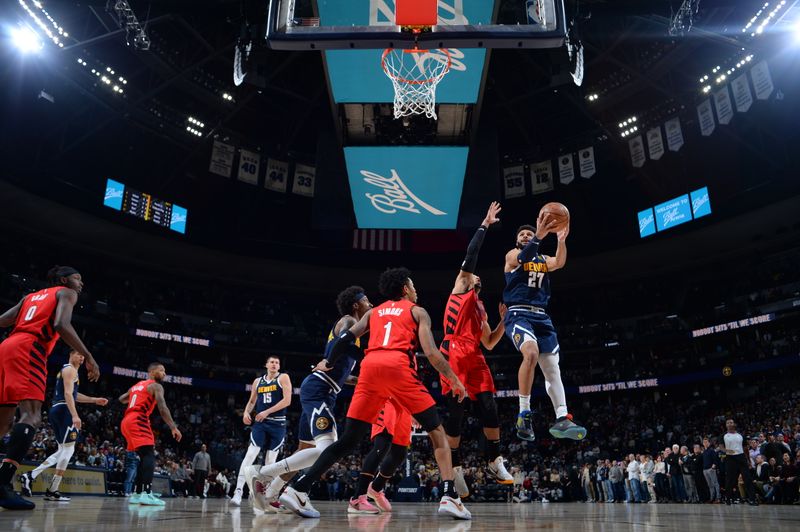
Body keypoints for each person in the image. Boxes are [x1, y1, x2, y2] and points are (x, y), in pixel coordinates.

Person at [278, 267, 471, 520]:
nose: (416, 290)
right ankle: (450, 496)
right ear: (404, 289)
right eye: (412, 286)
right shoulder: (417, 311)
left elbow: (345, 339)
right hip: (397, 366)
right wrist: (454, 380)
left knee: (348, 440)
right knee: (437, 432)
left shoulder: (373, 312)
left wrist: (330, 361)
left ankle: (298, 489)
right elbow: (433, 354)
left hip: (370, 369)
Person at [246, 286, 372, 512]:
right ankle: (261, 474)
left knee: (305, 449)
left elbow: (342, 371)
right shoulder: (348, 322)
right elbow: (339, 345)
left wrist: (361, 378)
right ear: (356, 305)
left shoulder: (352, 332)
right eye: (366, 301)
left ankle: (272, 494)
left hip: (322, 389)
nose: (370, 305)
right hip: (319, 390)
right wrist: (371, 358)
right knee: (329, 448)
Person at [0, 265, 100, 510]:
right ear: (64, 280)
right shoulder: (66, 293)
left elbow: (2, 320)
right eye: (78, 278)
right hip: (30, 347)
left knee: (2, 422)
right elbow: (60, 324)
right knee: (31, 416)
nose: (81, 284)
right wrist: (87, 355)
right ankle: (2, 484)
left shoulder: (30, 297)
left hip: (7, 346)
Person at [440, 202, 514, 497]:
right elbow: (472, 254)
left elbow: (490, 342)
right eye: (474, 275)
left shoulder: (481, 307)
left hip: (474, 353)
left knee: (489, 406)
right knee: (456, 412)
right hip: (454, 348)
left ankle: (494, 460)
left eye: (479, 277)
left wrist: (504, 322)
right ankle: (455, 468)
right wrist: (485, 223)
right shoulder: (460, 286)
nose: (477, 276)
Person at [502, 215, 586, 441]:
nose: (526, 236)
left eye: (529, 234)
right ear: (517, 240)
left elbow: (559, 262)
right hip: (519, 313)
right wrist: (539, 235)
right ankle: (523, 413)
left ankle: (562, 418)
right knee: (530, 353)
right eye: (523, 235)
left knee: (552, 368)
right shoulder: (512, 255)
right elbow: (522, 257)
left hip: (542, 317)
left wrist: (561, 239)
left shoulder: (542, 258)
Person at [19, 350, 108, 502]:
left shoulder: (69, 371)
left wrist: (94, 400)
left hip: (59, 409)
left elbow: (73, 394)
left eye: (83, 356)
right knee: (68, 449)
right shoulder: (70, 370)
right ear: (71, 355)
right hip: (64, 410)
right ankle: (32, 476)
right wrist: (74, 415)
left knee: (65, 449)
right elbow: (68, 394)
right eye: (78, 354)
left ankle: (51, 488)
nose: (81, 358)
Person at [231, 355, 292, 506]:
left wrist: (266, 412)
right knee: (250, 454)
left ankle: (263, 494)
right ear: (266, 364)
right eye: (271, 362)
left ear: (279, 366)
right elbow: (252, 401)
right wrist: (246, 412)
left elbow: (287, 400)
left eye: (277, 362)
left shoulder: (283, 377)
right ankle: (238, 492)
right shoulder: (258, 381)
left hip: (278, 424)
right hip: (261, 423)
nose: (274, 364)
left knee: (270, 461)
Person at [118, 362, 182, 506]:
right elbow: (162, 407)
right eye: (161, 370)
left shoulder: (137, 385)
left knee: (143, 456)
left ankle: (137, 493)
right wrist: (173, 427)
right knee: (149, 455)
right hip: (138, 419)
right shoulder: (156, 386)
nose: (164, 373)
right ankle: (146, 493)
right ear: (152, 372)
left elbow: (122, 399)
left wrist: (135, 396)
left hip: (126, 420)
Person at [348, 397, 414, 513]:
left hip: (405, 404)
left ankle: (375, 488)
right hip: (387, 397)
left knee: (400, 454)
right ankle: (357, 498)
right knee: (382, 446)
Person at [722, 419, 757, 505]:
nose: (730, 424)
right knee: (730, 480)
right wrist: (726, 451)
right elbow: (720, 446)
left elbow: (745, 448)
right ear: (726, 425)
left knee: (747, 478)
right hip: (730, 458)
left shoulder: (741, 435)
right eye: (728, 423)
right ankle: (728, 498)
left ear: (734, 424)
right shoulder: (724, 435)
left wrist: (748, 460)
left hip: (741, 457)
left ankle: (752, 499)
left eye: (731, 422)